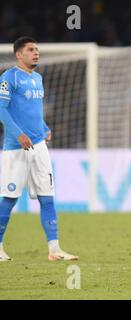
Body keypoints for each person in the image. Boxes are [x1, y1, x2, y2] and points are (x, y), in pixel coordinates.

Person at [0, 37, 78, 261]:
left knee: (47, 196)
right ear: (18, 55)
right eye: (31, 50)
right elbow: (2, 110)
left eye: (37, 49)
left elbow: (34, 110)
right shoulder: (9, 78)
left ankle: (54, 249)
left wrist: (44, 127)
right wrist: (18, 134)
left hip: (39, 146)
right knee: (9, 197)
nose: (36, 53)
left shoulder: (38, 78)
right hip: (17, 148)